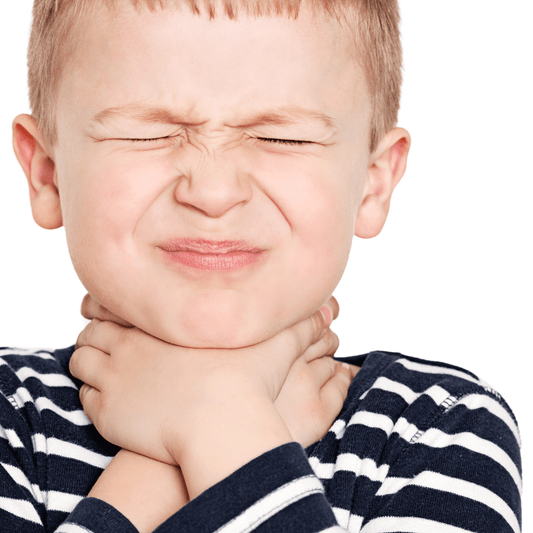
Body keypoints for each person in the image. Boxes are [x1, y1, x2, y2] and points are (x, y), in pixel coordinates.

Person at [1, 1, 522, 532]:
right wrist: (189, 444)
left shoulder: (439, 430)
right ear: (47, 173)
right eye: (148, 133)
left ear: (373, 183)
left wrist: (224, 428)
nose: (213, 192)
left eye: (282, 137)